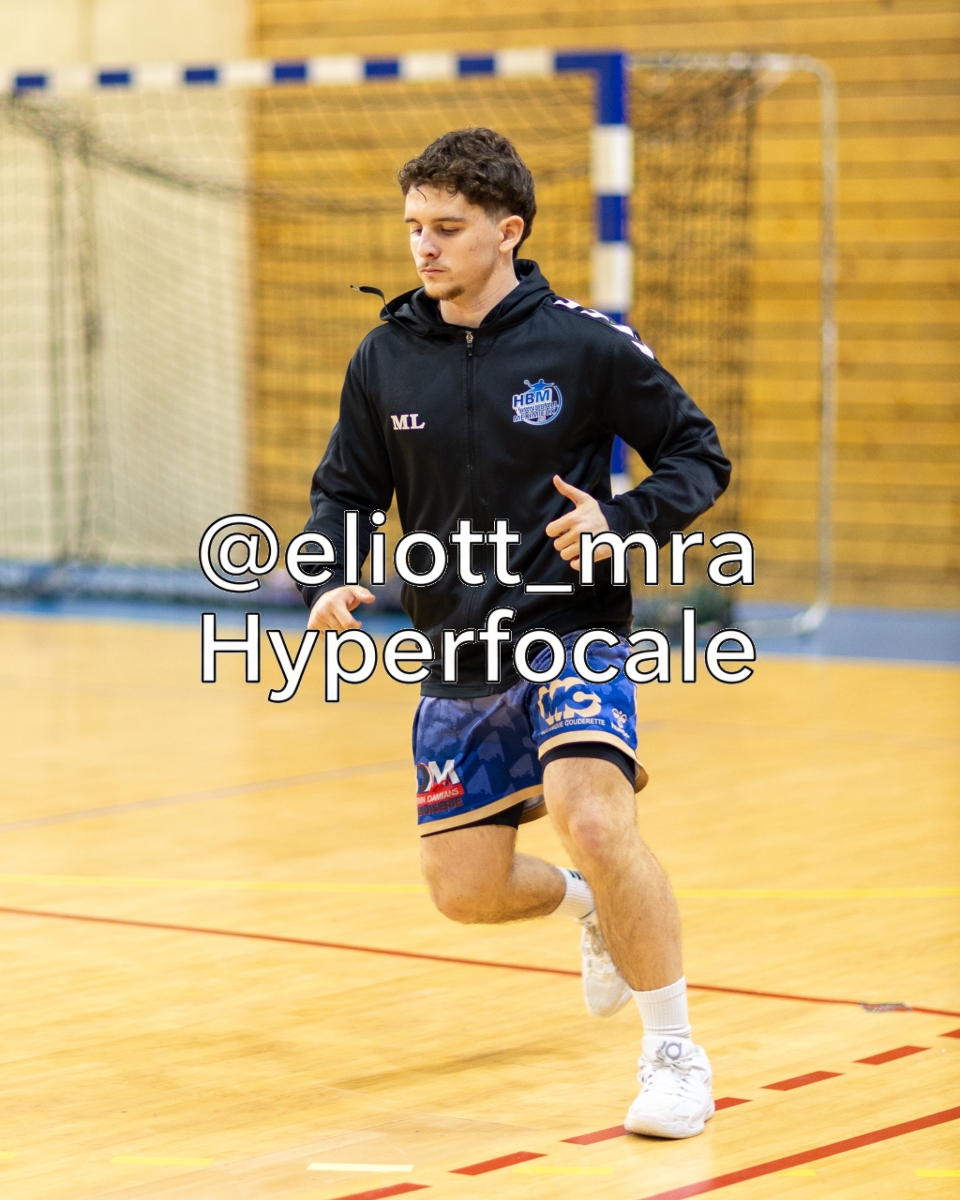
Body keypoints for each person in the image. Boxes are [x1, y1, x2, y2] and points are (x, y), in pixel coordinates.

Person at [300, 127, 730, 1138]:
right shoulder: (384, 356)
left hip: (572, 628)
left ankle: (675, 1055)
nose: (425, 246)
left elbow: (697, 454)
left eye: (448, 227)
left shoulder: (585, 345)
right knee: (465, 892)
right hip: (457, 651)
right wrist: (331, 568)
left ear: (509, 231)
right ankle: (591, 907)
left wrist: (622, 520)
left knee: (594, 815)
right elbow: (346, 490)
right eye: (415, 226)